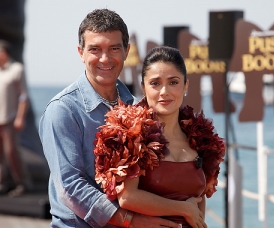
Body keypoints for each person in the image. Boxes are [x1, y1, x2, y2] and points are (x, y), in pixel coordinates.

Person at [39, 9, 182, 228]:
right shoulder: (62, 110)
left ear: (127, 51)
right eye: (95, 49)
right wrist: (131, 221)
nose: (105, 58)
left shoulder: (139, 108)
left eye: (114, 48)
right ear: (81, 52)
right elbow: (70, 187)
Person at [94, 46, 225, 228]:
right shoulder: (131, 134)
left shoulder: (201, 138)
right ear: (143, 87)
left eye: (173, 82)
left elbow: (198, 198)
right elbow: (127, 198)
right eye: (155, 83)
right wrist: (182, 209)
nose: (164, 91)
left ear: (185, 85)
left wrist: (193, 213)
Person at [0, 39, 30, 197]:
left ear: (4, 53)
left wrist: (20, 117)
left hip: (10, 118)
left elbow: (23, 96)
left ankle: (22, 183)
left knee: (11, 151)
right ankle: (3, 183)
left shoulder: (17, 69)